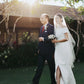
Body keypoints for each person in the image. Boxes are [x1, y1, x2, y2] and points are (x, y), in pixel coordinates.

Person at [52, 13, 76, 84]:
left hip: (64, 48)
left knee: (63, 66)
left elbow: (66, 38)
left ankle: (67, 81)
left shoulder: (64, 27)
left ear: (61, 19)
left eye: (57, 18)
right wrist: (54, 41)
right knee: (57, 65)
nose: (56, 20)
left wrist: (56, 41)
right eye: (55, 18)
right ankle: (58, 82)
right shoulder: (56, 28)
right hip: (58, 49)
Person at [32, 13, 56, 84]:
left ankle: (53, 82)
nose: (40, 19)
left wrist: (44, 39)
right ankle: (35, 82)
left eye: (42, 18)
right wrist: (39, 49)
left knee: (52, 69)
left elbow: (53, 36)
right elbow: (40, 39)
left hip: (49, 51)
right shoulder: (41, 27)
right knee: (39, 68)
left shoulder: (51, 27)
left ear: (46, 18)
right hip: (41, 52)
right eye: (40, 18)